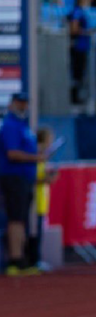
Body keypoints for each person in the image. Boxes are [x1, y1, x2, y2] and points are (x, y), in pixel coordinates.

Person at [0, 93, 46, 276]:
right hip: (14, 177)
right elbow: (12, 153)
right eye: (20, 103)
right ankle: (15, 260)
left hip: (25, 178)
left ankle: (22, 259)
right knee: (16, 219)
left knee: (22, 219)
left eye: (25, 103)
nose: (23, 106)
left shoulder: (22, 126)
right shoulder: (10, 125)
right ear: (12, 104)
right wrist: (36, 157)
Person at [29, 127, 57, 271]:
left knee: (39, 230)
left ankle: (37, 259)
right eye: (49, 139)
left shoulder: (42, 157)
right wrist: (46, 179)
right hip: (35, 200)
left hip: (41, 199)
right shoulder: (35, 155)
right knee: (35, 231)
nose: (50, 142)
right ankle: (34, 260)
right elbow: (33, 178)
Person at [67, 0, 93, 106]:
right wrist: (87, 32)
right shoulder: (77, 11)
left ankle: (78, 97)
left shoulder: (84, 10)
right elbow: (73, 29)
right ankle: (74, 99)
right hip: (78, 47)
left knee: (81, 74)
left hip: (83, 47)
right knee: (77, 74)